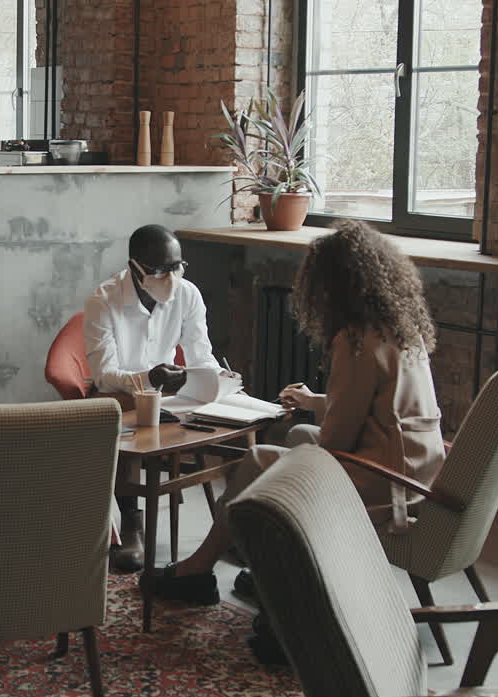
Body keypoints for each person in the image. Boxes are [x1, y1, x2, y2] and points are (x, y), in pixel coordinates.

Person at [154, 219, 446, 607]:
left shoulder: (355, 341)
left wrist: (293, 457)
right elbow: (382, 410)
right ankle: (259, 560)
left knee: (259, 458)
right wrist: (314, 402)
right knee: (295, 438)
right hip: (415, 467)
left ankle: (200, 568)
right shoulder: (399, 329)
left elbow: (336, 441)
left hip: (384, 482)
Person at [84, 224, 223, 571]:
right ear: (136, 267)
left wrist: (205, 378)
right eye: (161, 270)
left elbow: (201, 356)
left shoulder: (188, 295)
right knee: (119, 417)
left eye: (177, 267)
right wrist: (150, 378)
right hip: (117, 394)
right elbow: (104, 374)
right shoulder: (103, 300)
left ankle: (229, 528)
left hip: (170, 391)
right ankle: (131, 519)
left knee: (222, 411)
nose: (171, 277)